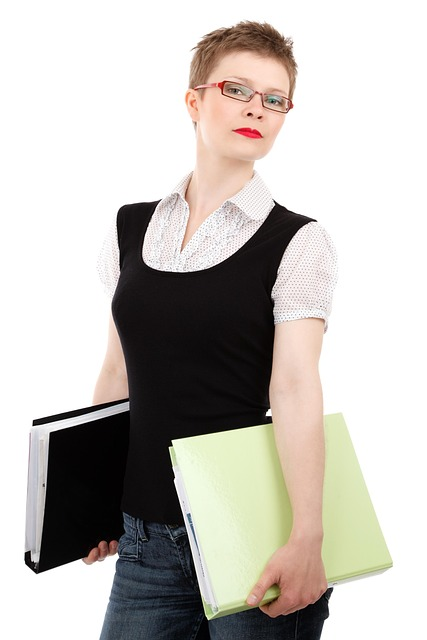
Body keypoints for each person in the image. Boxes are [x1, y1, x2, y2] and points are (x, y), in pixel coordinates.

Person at [85, 20, 338, 640]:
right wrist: (90, 493)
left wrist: (307, 536)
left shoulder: (299, 241)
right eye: (236, 90)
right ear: (194, 101)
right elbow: (118, 372)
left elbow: (295, 388)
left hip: (254, 533)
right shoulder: (129, 228)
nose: (257, 109)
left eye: (274, 99)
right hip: (144, 538)